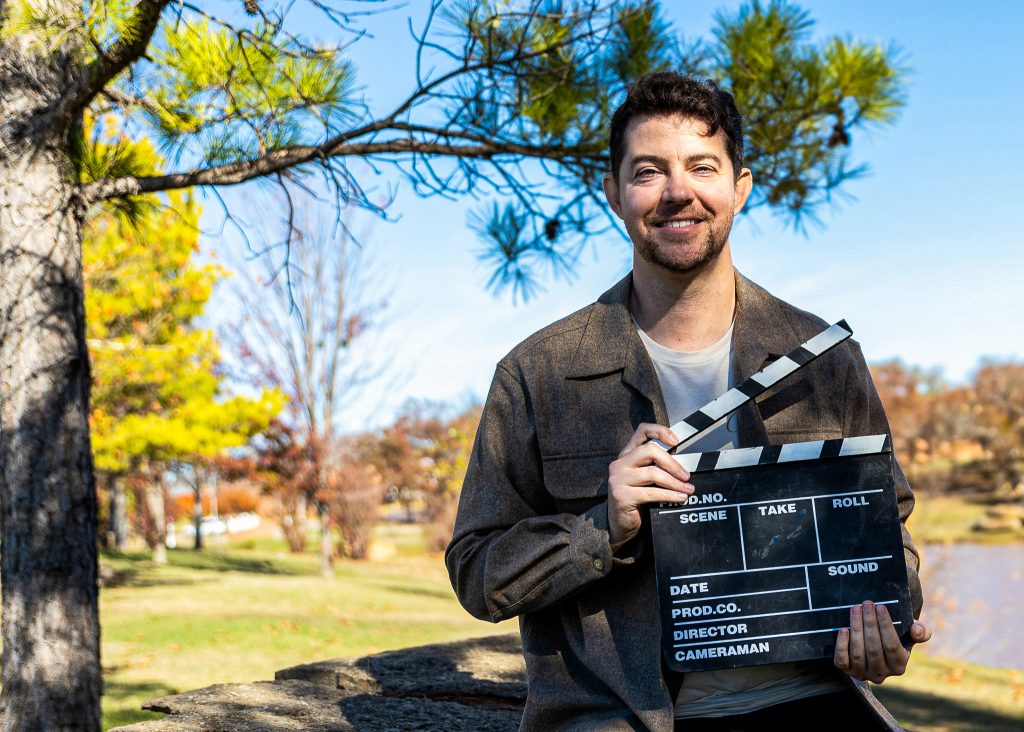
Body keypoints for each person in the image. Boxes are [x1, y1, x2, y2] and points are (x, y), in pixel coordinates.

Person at [445, 71, 931, 731]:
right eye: (649, 172)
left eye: (702, 166)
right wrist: (601, 527)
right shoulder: (538, 372)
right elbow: (477, 573)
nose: (679, 192)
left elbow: (887, 525)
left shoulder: (822, 355)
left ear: (741, 186)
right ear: (613, 192)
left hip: (812, 701)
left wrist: (887, 618)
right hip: (619, 718)